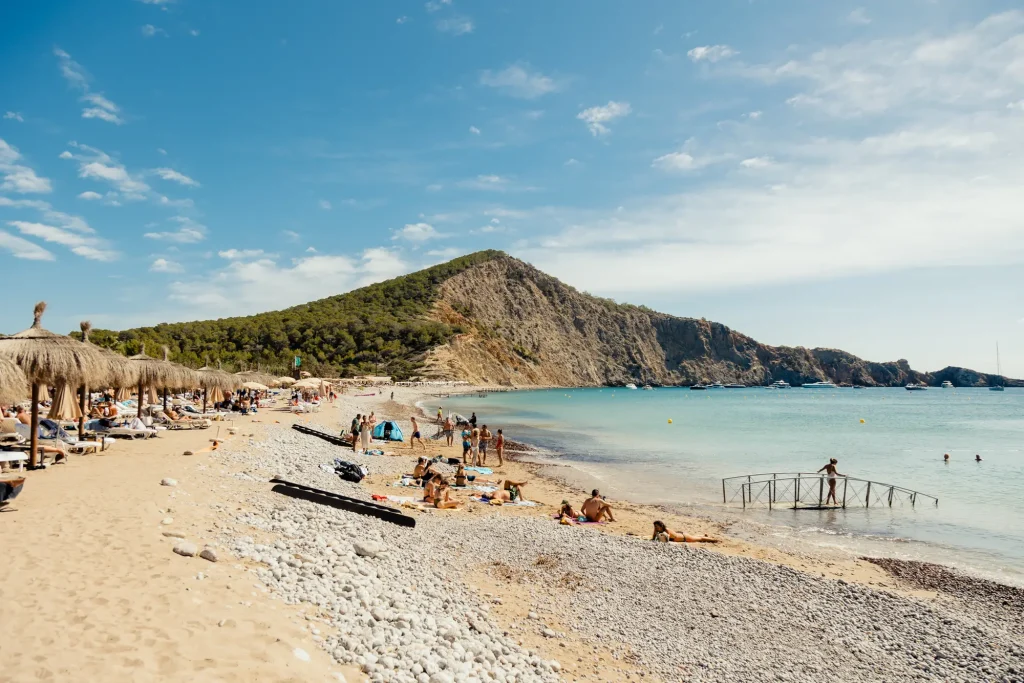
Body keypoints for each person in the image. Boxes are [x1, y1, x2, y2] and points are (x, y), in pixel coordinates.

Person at [651, 520, 720, 543]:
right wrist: (655, 534)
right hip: (680, 534)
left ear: (661, 526)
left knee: (700, 539)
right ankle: (704, 535)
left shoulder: (667, 530)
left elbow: (666, 540)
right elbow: (654, 537)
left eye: (657, 526)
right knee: (694, 536)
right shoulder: (657, 529)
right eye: (655, 526)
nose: (656, 528)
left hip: (684, 538)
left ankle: (714, 540)